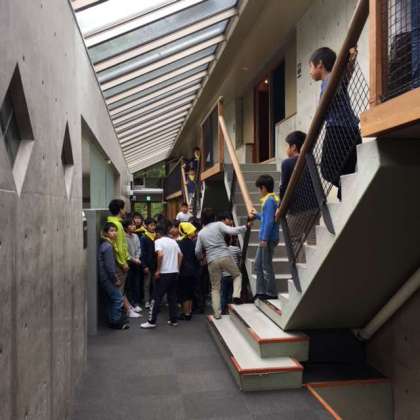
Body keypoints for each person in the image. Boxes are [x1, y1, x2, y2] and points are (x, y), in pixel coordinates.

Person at [309, 46, 361, 200]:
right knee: (346, 170)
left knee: (327, 170)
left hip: (338, 129)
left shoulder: (330, 79)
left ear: (319, 64)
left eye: (310, 67)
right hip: (352, 130)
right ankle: (347, 195)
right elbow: (347, 76)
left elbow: (346, 75)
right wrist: (351, 60)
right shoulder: (334, 79)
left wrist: (350, 59)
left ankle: (353, 190)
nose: (309, 72)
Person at [195, 208, 249, 319]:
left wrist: (201, 259)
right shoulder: (219, 225)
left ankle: (217, 313)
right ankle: (236, 295)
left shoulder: (201, 233)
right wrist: (245, 227)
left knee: (215, 288)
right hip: (224, 256)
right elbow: (232, 231)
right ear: (214, 217)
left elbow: (197, 251)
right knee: (237, 275)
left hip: (211, 260)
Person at [275, 131, 318, 246]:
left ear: (293, 147)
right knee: (313, 241)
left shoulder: (287, 163)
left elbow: (284, 187)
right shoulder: (310, 159)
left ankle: (298, 259)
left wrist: (280, 207)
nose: (287, 149)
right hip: (315, 206)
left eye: (287, 146)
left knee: (293, 239)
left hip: (297, 209)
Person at [141, 221, 183, 329]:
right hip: (174, 272)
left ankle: (151, 321)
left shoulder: (158, 241)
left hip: (164, 273)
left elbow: (160, 255)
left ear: (158, 233)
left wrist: (158, 270)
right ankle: (174, 320)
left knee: (156, 297)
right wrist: (177, 268)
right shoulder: (173, 241)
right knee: (172, 297)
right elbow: (180, 255)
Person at [107, 199, 140, 319]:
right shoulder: (117, 225)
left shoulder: (112, 222)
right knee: (119, 288)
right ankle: (122, 313)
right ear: (120, 209)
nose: (125, 211)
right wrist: (123, 262)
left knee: (120, 288)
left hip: (118, 261)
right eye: (123, 208)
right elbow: (118, 246)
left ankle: (127, 309)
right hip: (119, 263)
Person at [250, 175, 280, 300]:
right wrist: (257, 215)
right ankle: (261, 291)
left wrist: (264, 239)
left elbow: (269, 222)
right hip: (266, 237)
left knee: (266, 265)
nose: (259, 191)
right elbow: (266, 218)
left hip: (268, 238)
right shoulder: (271, 199)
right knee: (258, 264)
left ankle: (271, 292)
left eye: (259, 188)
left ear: (263, 188)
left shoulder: (269, 201)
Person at [97, 222, 129, 330]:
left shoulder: (106, 244)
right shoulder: (108, 246)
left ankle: (112, 320)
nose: (114, 233)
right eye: (111, 231)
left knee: (110, 299)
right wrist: (116, 279)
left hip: (104, 278)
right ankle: (115, 321)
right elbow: (110, 267)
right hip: (107, 278)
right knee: (118, 298)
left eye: (115, 230)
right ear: (106, 233)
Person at [178, 222, 200, 320]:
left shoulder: (180, 243)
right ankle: (189, 312)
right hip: (193, 270)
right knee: (190, 293)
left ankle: (186, 313)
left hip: (184, 271)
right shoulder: (193, 242)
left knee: (184, 293)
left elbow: (180, 257)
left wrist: (177, 269)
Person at [122, 218, 143, 314]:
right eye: (130, 225)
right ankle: (131, 303)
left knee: (136, 283)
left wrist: (138, 257)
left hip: (137, 262)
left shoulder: (136, 236)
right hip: (128, 263)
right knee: (129, 284)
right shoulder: (123, 237)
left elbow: (139, 248)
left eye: (134, 224)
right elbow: (125, 252)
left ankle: (136, 303)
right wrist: (134, 259)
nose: (133, 226)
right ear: (126, 227)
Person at [221, 235, 241, 314]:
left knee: (223, 294)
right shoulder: (236, 249)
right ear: (230, 240)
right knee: (231, 293)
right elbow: (240, 258)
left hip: (224, 275)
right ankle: (230, 311)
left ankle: (222, 311)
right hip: (234, 275)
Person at [140, 217, 157, 309]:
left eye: (154, 225)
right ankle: (147, 301)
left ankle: (154, 300)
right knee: (147, 284)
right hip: (147, 264)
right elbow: (143, 253)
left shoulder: (157, 236)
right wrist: (144, 265)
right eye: (151, 225)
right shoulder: (144, 237)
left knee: (155, 284)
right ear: (146, 226)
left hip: (156, 264)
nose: (153, 227)